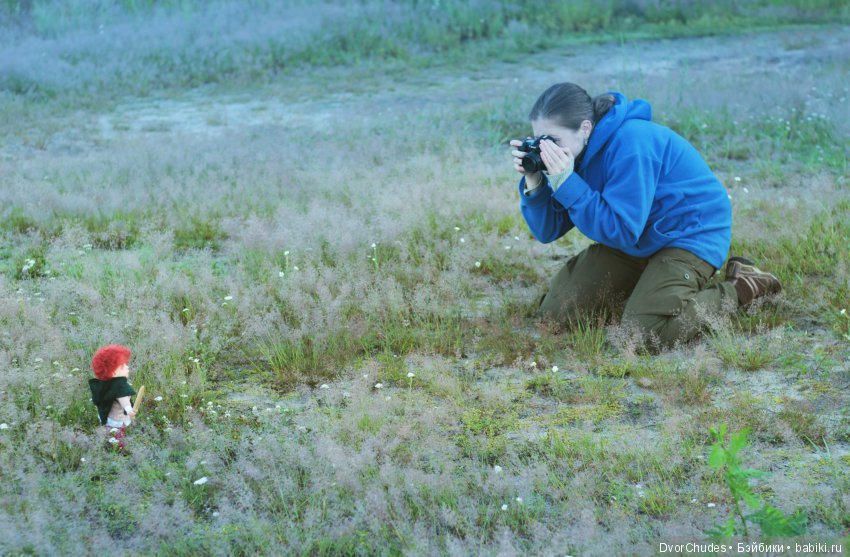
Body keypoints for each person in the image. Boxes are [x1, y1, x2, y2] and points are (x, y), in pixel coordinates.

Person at [510, 82, 781, 351]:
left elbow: (622, 231)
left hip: (687, 234)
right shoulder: (574, 153)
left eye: (552, 141)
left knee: (641, 336)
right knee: (557, 315)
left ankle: (744, 286)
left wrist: (567, 182)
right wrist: (535, 181)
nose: (547, 151)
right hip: (637, 239)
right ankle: (648, 290)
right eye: (539, 140)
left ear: (585, 128)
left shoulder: (632, 142)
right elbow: (548, 231)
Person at [89, 344, 137, 428]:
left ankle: (107, 438)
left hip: (107, 416)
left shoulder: (105, 383)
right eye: (122, 366)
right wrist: (129, 411)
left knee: (109, 432)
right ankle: (117, 441)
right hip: (118, 419)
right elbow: (124, 400)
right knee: (117, 436)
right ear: (112, 372)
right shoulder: (120, 387)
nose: (127, 367)